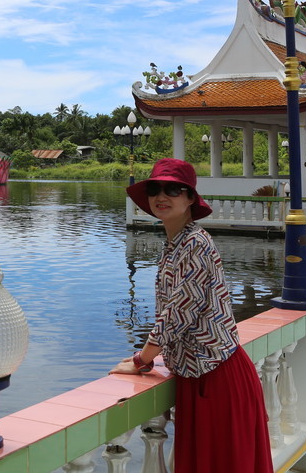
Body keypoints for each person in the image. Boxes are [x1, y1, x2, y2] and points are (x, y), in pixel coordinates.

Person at [110, 158, 272, 473]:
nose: (162, 196)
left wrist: (141, 360)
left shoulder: (196, 244)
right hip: (197, 375)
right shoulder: (176, 244)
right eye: (155, 188)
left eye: (173, 189)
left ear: (189, 199)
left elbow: (177, 314)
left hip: (218, 376)